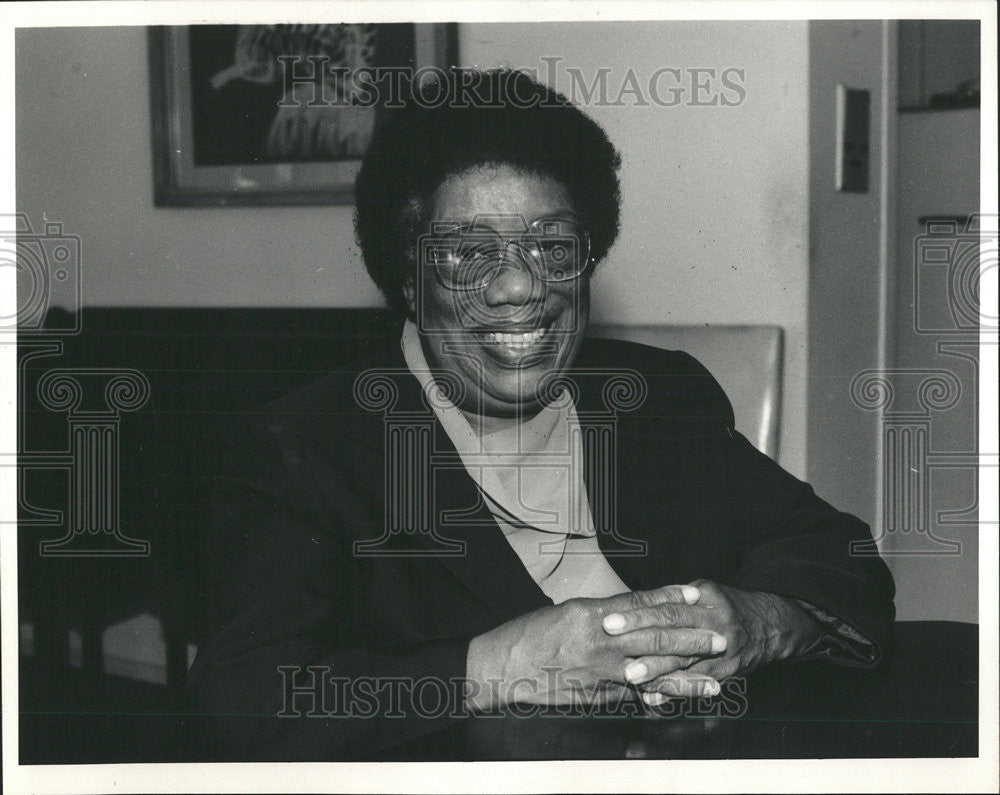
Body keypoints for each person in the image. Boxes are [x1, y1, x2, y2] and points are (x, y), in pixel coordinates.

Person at [188, 69, 895, 760]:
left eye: (552, 246)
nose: (521, 284)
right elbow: (246, 700)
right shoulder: (308, 447)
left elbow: (841, 552)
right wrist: (503, 663)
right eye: (467, 253)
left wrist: (762, 622)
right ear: (407, 278)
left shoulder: (654, 393)